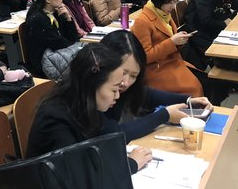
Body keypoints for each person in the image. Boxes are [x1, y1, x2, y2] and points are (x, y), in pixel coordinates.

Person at [26, 43, 152, 174]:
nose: (117, 95)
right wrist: (130, 164)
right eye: (114, 89)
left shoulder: (84, 104)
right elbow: (78, 175)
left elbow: (109, 138)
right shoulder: (56, 120)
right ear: (92, 86)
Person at [100, 30, 212, 142]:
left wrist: (188, 101)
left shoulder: (122, 87)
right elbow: (113, 135)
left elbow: (146, 94)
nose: (126, 82)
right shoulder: (95, 95)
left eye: (133, 76)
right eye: (123, 73)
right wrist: (165, 115)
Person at [130, 0, 204, 97]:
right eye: (170, 2)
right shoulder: (142, 22)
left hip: (171, 62)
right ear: (159, 0)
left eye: (175, 2)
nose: (173, 6)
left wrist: (179, 40)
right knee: (194, 88)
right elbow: (144, 56)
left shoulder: (164, 14)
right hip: (156, 69)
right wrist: (172, 42)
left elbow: (170, 40)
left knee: (202, 80)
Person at [25, 0, 81, 77]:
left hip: (59, 54)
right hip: (47, 62)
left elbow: (73, 37)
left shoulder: (55, 12)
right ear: (48, 0)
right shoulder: (38, 19)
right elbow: (58, 43)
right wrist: (74, 45)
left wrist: (68, 18)